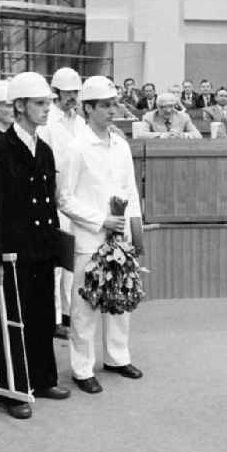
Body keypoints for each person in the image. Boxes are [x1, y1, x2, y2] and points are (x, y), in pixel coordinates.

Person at [0, 72, 73, 420]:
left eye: (48, 103)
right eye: (39, 103)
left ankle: (43, 378)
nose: (47, 109)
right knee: (11, 320)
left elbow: (48, 204)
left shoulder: (44, 150)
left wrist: (56, 249)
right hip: (13, 253)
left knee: (43, 316)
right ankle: (15, 386)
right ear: (19, 106)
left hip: (42, 250)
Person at [57, 76, 145, 394]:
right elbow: (64, 198)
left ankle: (117, 357)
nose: (112, 110)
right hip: (89, 237)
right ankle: (82, 368)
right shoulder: (76, 148)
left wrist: (134, 232)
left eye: (113, 104)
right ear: (88, 108)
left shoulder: (121, 145)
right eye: (105, 105)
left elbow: (130, 190)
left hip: (120, 238)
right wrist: (100, 221)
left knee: (120, 298)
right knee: (84, 304)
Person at [41, 67, 88, 339]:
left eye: (75, 93)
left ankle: (70, 312)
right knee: (56, 265)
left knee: (72, 258)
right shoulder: (48, 122)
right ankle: (54, 317)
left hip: (76, 199)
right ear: (57, 93)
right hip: (54, 199)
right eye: (68, 93)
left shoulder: (79, 122)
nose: (72, 98)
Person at [136, 92, 202, 139]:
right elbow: (141, 135)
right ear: (158, 106)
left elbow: (198, 136)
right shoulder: (149, 117)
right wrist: (161, 135)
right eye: (164, 107)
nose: (168, 110)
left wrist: (182, 135)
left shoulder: (183, 117)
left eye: (171, 106)